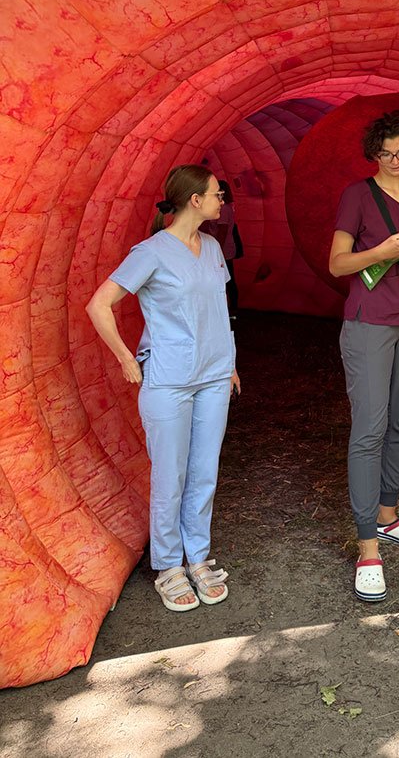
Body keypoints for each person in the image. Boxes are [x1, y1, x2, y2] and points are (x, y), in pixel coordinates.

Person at [86, 165, 241, 612]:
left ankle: (198, 558)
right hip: (169, 380)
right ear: (195, 200)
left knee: (204, 471)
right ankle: (169, 566)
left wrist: (229, 365)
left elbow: (219, 311)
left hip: (214, 377)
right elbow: (99, 305)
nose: (222, 200)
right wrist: (124, 358)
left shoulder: (212, 247)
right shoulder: (150, 252)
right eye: (217, 194)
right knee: (170, 475)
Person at [328, 110, 399, 602]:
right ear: (374, 154)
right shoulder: (357, 195)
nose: (395, 161)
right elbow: (338, 264)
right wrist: (382, 252)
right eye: (387, 153)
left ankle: (387, 514)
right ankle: (367, 547)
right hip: (370, 319)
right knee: (370, 428)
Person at [200, 179, 239, 320]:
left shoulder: (224, 209)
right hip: (221, 249)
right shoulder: (220, 209)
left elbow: (222, 232)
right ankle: (227, 308)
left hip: (224, 250)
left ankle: (232, 308)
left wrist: (216, 252)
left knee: (227, 279)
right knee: (223, 279)